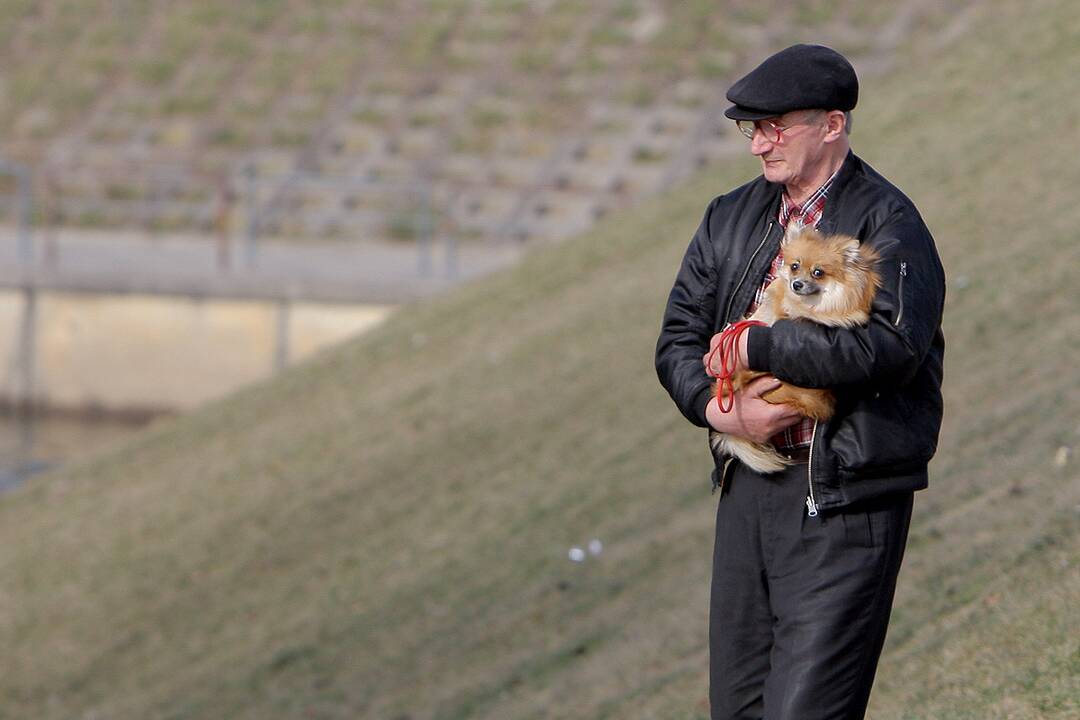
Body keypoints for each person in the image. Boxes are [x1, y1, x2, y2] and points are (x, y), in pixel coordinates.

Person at [654, 44, 945, 720]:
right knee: (740, 708)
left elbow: (890, 349)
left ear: (832, 124)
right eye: (751, 129)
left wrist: (762, 343)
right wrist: (718, 412)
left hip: (844, 495)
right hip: (747, 489)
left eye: (773, 126)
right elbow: (676, 340)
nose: (759, 145)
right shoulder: (726, 217)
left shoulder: (889, 224)